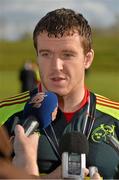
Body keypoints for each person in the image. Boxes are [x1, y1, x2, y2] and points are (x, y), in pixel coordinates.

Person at [2, 8, 119, 179]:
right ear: (37, 57)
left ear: (87, 59)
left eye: (67, 54)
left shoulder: (115, 116)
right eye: (46, 54)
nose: (56, 66)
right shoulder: (4, 115)